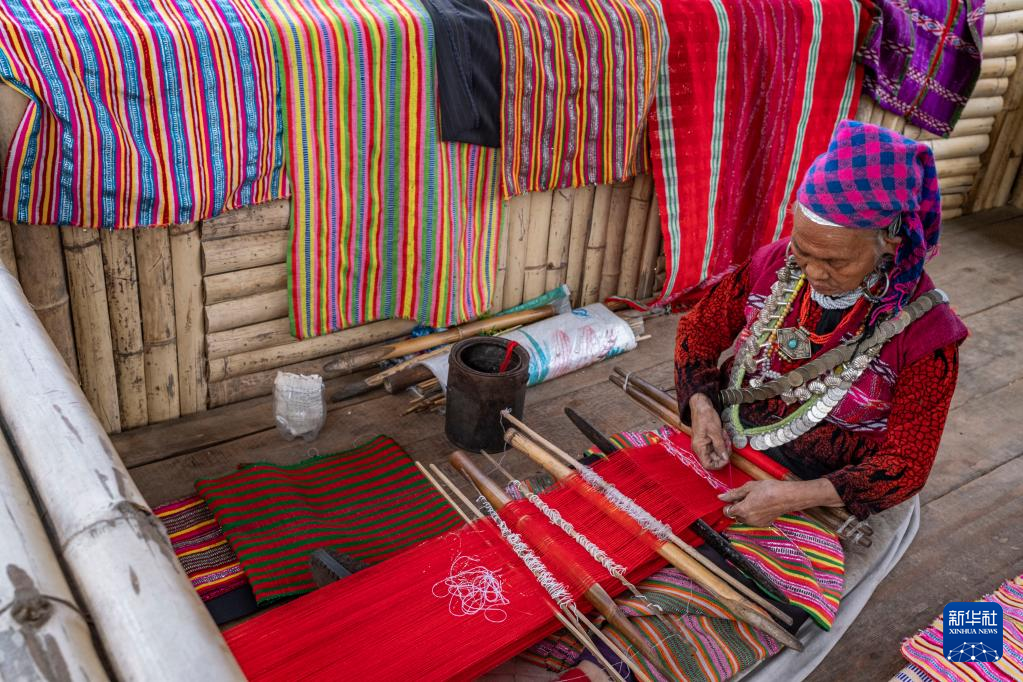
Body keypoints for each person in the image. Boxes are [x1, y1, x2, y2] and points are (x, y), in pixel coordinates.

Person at [675, 119, 968, 525]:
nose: (813, 271)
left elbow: (906, 463)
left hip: (826, 488)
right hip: (728, 436)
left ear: (891, 241)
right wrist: (701, 405)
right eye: (803, 250)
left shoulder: (926, 334)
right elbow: (699, 328)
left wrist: (797, 495)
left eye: (835, 261)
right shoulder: (774, 263)